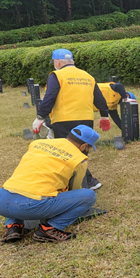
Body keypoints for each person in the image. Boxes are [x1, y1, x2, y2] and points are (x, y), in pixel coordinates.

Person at [0, 125, 99, 243]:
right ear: (83, 146)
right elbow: (75, 190)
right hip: (28, 206)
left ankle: (13, 226)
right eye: (88, 148)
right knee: (88, 196)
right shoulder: (79, 159)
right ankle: (49, 229)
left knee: (22, 186)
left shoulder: (39, 143)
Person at [33, 48, 110, 190]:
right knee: (81, 150)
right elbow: (99, 98)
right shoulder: (87, 76)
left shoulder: (57, 75)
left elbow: (50, 97)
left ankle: (81, 183)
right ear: (72, 61)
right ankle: (88, 181)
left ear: (57, 62)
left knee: (67, 152)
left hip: (64, 118)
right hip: (86, 118)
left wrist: (40, 117)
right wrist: (104, 115)